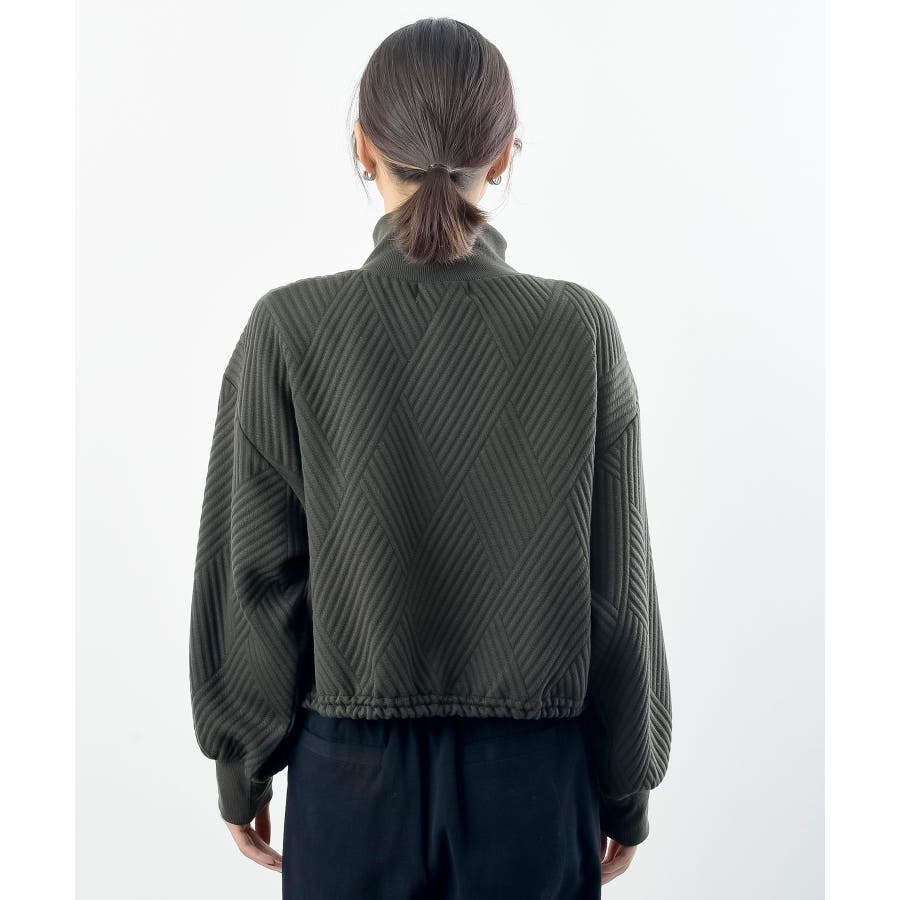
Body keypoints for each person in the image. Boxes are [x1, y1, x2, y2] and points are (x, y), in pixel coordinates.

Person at [188, 16, 673, 900]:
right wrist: (624, 791)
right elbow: (617, 595)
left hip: (350, 786)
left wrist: (241, 769)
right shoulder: (579, 330)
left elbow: (255, 577)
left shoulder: (289, 330)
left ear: (362, 148)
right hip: (535, 787)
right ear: (505, 154)